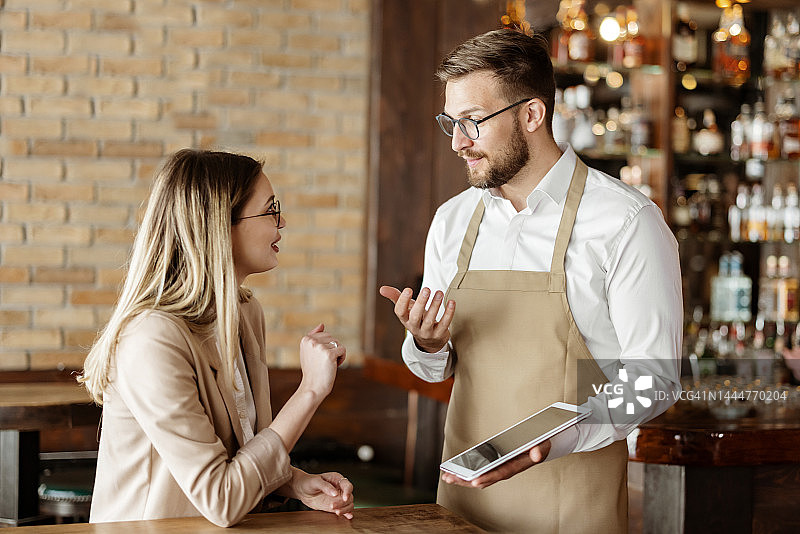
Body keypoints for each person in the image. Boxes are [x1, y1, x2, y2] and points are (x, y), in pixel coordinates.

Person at [379, 29, 682, 533]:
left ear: (532, 115)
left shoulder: (626, 222)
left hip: (573, 506)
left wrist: (555, 440)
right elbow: (435, 371)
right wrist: (426, 343)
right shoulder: (452, 221)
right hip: (462, 512)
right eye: (451, 123)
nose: (458, 142)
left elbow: (655, 381)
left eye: (472, 122)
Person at [79, 149, 354, 527]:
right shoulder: (152, 339)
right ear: (221, 224)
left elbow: (242, 451)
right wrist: (310, 390)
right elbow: (220, 498)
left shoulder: (245, 313)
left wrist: (295, 482)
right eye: (271, 209)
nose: (283, 221)